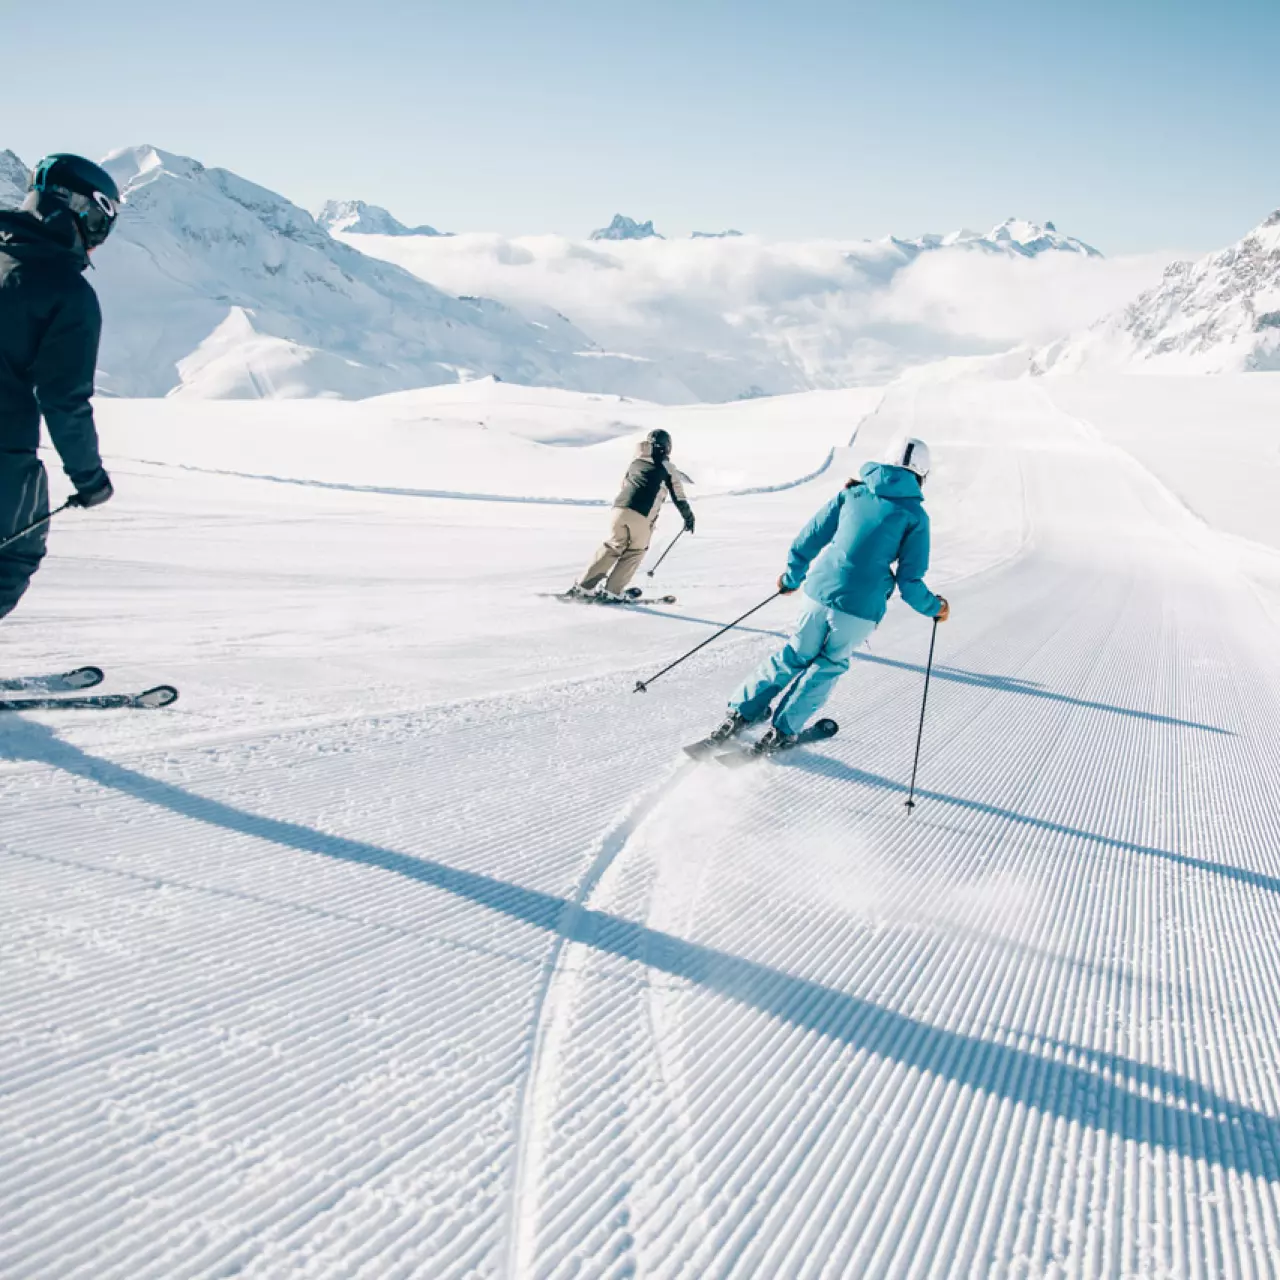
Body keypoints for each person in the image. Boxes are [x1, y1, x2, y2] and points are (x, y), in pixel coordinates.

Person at [707, 436, 949, 752]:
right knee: (829, 663)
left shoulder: (853, 492)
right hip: (859, 607)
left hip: (818, 592)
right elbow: (910, 581)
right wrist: (935, 608)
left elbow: (808, 538)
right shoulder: (915, 515)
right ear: (922, 474)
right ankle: (783, 729)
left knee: (794, 654)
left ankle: (740, 713)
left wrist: (792, 577)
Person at [0, 153, 119, 623]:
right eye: (101, 216)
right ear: (79, 210)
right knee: (12, 559)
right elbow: (64, 399)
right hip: (4, 454)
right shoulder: (67, 291)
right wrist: (89, 479)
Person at [568, 428, 695, 601]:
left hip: (618, 510)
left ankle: (584, 587)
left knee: (613, 546)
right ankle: (613, 591)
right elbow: (678, 497)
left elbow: (624, 485)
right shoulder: (668, 467)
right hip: (641, 514)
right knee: (635, 550)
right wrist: (688, 518)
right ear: (667, 447)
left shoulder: (635, 462)